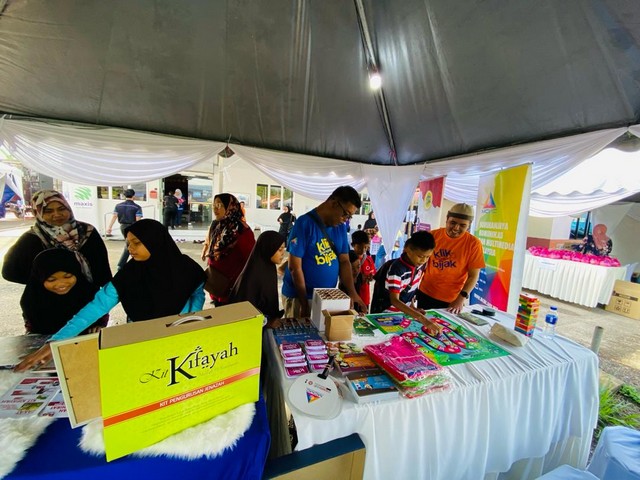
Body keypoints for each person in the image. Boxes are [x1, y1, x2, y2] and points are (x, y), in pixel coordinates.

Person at [15, 219, 206, 371]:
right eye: (128, 243)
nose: (130, 249)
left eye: (137, 243)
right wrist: (56, 341)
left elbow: (197, 295)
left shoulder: (187, 269)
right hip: (141, 341)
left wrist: (189, 322)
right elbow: (96, 307)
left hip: (181, 341)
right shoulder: (129, 275)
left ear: (155, 241)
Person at [281, 186, 367, 318]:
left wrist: (352, 293)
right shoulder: (304, 224)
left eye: (350, 217)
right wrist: (304, 303)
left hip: (327, 298)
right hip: (299, 297)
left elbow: (344, 261)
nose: (346, 219)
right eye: (345, 214)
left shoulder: (340, 227)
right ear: (334, 203)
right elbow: (294, 267)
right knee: (301, 330)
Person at [2, 190, 112, 289]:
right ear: (38, 213)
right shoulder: (32, 238)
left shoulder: (87, 231)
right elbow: (9, 272)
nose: (57, 214)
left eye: (61, 209)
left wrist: (108, 293)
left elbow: (102, 266)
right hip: (50, 299)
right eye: (48, 211)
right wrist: (45, 282)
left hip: (89, 296)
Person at [416, 203, 485, 314]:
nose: (456, 228)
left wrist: (460, 299)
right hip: (425, 293)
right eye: (453, 223)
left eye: (462, 225)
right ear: (447, 219)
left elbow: (473, 276)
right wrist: (412, 289)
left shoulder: (474, 244)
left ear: (469, 225)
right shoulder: (433, 236)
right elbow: (419, 264)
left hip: (452, 300)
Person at [20, 249, 109, 335]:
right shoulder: (31, 300)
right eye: (51, 280)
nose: (61, 284)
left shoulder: (90, 293)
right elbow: (34, 331)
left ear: (77, 272)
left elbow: (101, 313)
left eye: (68, 276)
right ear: (39, 278)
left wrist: (99, 325)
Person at [370, 231, 442, 336]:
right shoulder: (396, 269)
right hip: (387, 316)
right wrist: (423, 319)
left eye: (427, 257)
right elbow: (395, 300)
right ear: (407, 249)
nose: (423, 260)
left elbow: (409, 290)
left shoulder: (419, 266)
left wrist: (413, 308)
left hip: (402, 314)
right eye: (420, 256)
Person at [201, 193, 256, 305]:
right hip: (216, 285)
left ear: (230, 207)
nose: (215, 209)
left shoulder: (242, 230)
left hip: (233, 289)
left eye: (220, 205)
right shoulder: (218, 225)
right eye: (214, 205)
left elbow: (251, 258)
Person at [228, 230, 286, 328]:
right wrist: (267, 323)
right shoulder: (254, 275)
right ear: (268, 249)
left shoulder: (268, 267)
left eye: (284, 249)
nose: (283, 253)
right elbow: (244, 311)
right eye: (280, 250)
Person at [106, 188, 143, 270]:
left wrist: (109, 227)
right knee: (130, 245)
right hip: (132, 227)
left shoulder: (118, 206)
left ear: (125, 196)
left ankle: (126, 264)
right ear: (133, 196)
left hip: (122, 227)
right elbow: (138, 220)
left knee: (131, 244)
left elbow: (114, 216)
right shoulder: (137, 207)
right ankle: (121, 265)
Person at [352, 230, 375, 308]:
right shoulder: (348, 259)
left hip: (364, 297)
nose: (363, 250)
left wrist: (371, 277)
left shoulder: (369, 260)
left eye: (365, 247)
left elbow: (372, 274)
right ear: (353, 245)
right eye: (359, 247)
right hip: (352, 296)